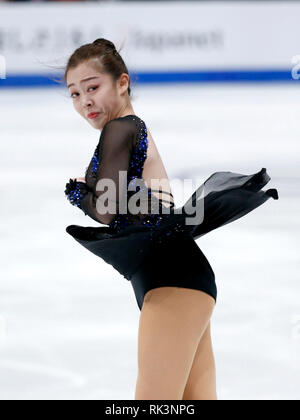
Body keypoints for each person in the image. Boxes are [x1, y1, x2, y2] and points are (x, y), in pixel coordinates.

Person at [63, 38, 279, 400]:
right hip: (181, 279)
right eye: (74, 94)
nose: (84, 101)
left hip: (171, 281)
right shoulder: (129, 131)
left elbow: (108, 209)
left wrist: (76, 193)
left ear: (122, 83)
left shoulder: (121, 128)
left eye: (93, 87)